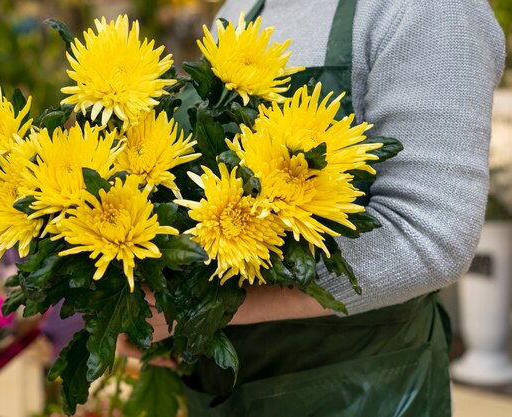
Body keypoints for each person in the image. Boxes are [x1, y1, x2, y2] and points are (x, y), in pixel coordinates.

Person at [119, 0, 506, 415]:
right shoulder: (242, 7)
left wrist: (198, 309)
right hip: (224, 391)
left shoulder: (430, 10)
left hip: (359, 390)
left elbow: (428, 239)